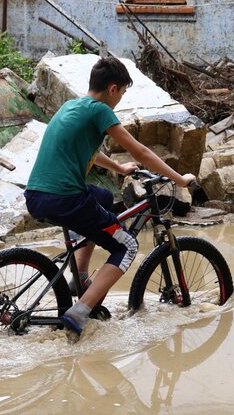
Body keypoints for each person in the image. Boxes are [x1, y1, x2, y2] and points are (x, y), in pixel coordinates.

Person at [24, 56, 195, 339]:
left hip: (38, 196)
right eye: (122, 93)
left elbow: (88, 150)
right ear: (113, 89)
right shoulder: (100, 110)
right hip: (66, 198)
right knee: (127, 246)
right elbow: (141, 151)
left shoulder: (72, 106)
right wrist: (180, 180)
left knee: (102, 197)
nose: (120, 100)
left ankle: (79, 277)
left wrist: (119, 167)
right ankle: (79, 311)